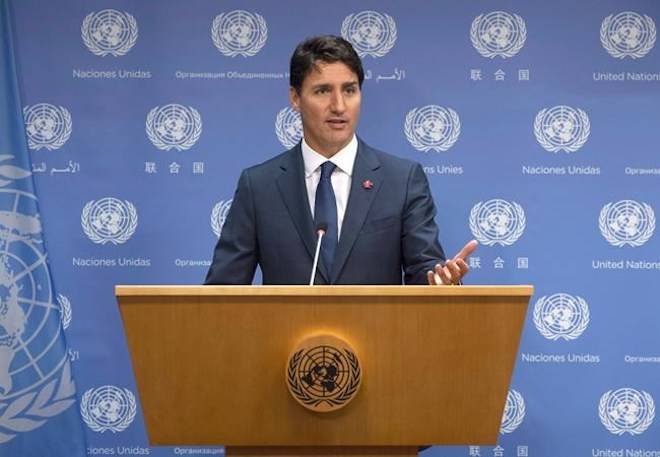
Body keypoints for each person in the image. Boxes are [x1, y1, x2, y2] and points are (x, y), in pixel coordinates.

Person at [205, 35, 476, 286]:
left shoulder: (402, 180)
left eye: (349, 90)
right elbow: (223, 291)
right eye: (323, 91)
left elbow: (424, 270)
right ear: (295, 98)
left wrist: (441, 281)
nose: (339, 106)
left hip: (379, 337)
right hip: (286, 338)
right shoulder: (259, 186)